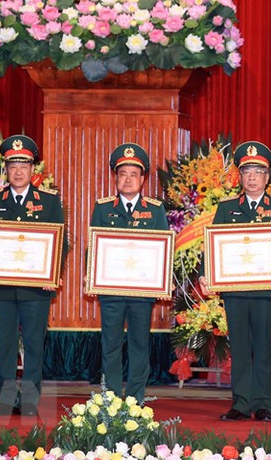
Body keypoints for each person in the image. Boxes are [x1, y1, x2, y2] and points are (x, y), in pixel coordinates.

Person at [201, 141, 271, 422]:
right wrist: (209, 275)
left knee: (264, 349)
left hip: (267, 291)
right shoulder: (227, 208)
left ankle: (263, 404)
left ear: (267, 178)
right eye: (247, 172)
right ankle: (241, 404)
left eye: (258, 172)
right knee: (241, 349)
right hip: (235, 292)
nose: (252, 177)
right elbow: (214, 248)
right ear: (239, 177)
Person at [0, 134, 65, 417]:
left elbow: (60, 243)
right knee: (4, 345)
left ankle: (29, 400)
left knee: (32, 344)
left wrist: (53, 272)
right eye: (13, 166)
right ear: (6, 169)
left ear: (33, 170)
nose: (18, 171)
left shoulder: (49, 202)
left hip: (36, 289)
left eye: (24, 166)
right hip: (3, 289)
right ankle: (5, 400)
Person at [90, 143, 167, 402]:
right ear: (115, 177)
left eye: (134, 174)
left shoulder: (155, 210)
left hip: (142, 292)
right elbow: (94, 245)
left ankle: (135, 398)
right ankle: (110, 398)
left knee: (139, 345)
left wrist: (163, 281)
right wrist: (91, 274)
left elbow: (164, 250)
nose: (128, 179)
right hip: (110, 291)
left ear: (142, 179)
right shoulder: (102, 209)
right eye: (123, 174)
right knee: (110, 345)